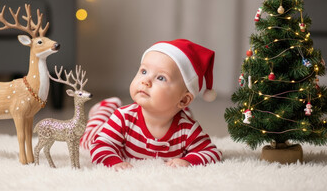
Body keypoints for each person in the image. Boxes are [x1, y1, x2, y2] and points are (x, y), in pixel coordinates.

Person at [80, 39, 222, 170]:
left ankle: (180, 109)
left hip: (178, 111)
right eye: (143, 71)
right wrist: (114, 162)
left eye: (161, 77)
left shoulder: (188, 129)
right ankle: (106, 107)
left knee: (184, 115)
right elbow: (100, 145)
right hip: (105, 128)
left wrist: (189, 161)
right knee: (88, 137)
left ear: (184, 100)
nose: (145, 81)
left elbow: (212, 152)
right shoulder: (122, 117)